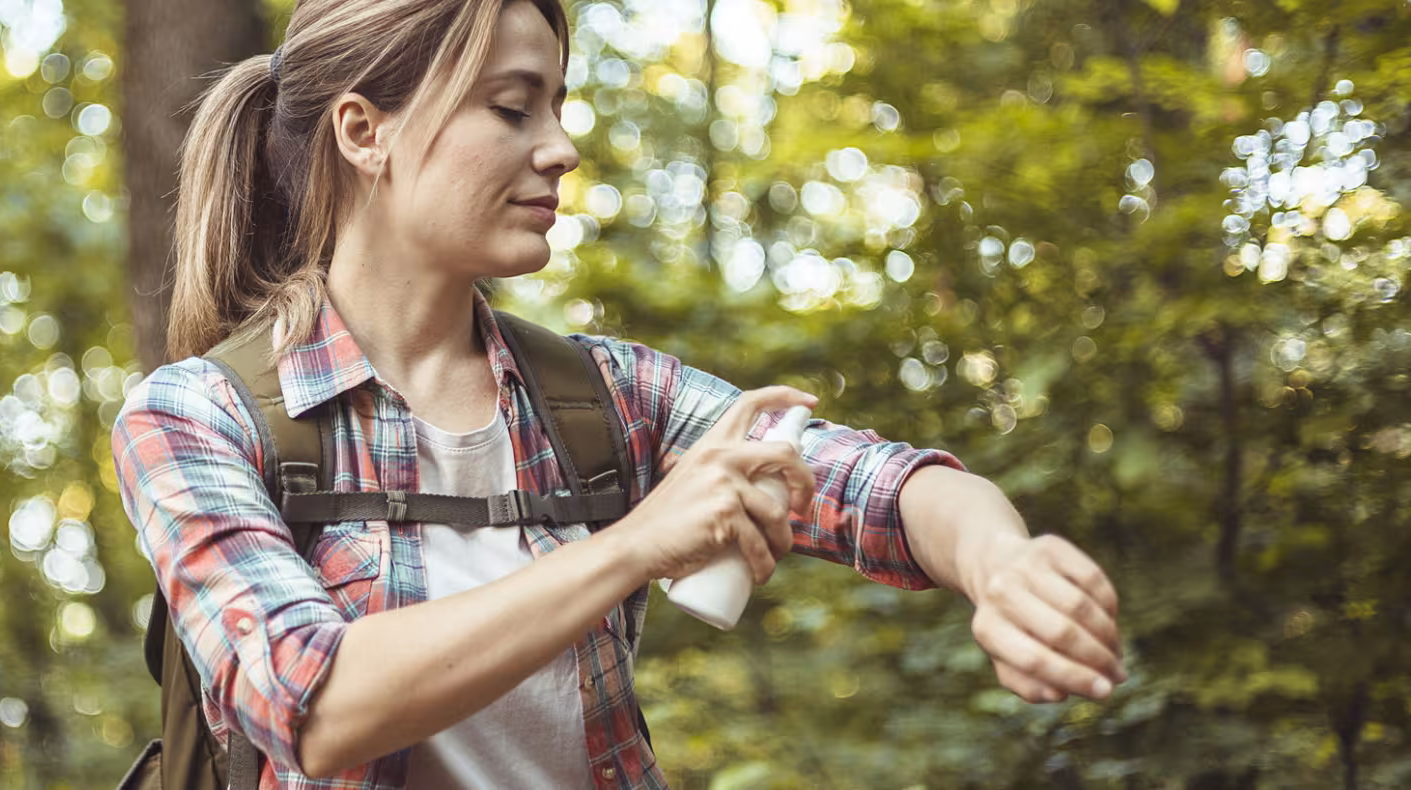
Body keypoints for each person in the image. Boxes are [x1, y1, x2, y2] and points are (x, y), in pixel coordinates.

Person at [110, 0, 1127, 787]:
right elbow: (311, 702)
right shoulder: (196, 418)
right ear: (362, 131)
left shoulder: (600, 395)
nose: (559, 145)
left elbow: (879, 488)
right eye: (511, 107)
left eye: (555, 103)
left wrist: (1001, 562)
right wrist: (635, 542)